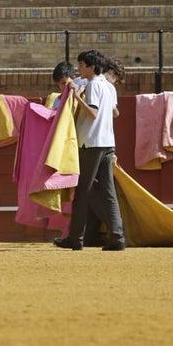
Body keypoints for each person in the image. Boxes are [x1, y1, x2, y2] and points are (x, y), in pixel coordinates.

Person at [54, 50, 126, 252]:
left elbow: (93, 113)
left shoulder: (94, 84)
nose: (79, 69)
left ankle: (75, 238)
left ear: (92, 67)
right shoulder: (109, 87)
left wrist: (77, 97)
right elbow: (115, 112)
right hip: (108, 143)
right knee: (108, 192)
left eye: (82, 65)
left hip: (92, 143)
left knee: (82, 191)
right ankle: (118, 237)